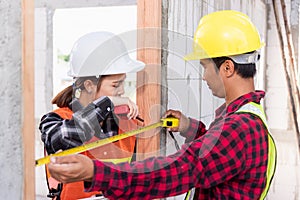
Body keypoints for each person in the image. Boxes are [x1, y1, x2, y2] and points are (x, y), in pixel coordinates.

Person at [47, 10, 277, 200]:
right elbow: (217, 153)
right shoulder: (242, 116)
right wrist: (190, 128)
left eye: (205, 66)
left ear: (227, 68)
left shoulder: (239, 127)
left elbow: (179, 169)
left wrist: (95, 173)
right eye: (115, 84)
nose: (204, 76)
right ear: (88, 84)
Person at [39, 31, 145, 199]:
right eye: (116, 85)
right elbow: (61, 137)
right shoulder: (55, 120)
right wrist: (106, 103)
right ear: (89, 85)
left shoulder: (128, 123)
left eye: (123, 83)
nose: (122, 91)